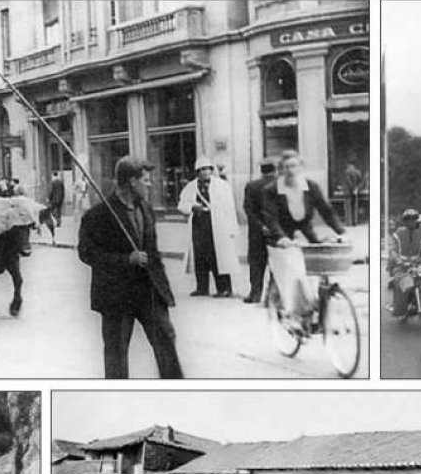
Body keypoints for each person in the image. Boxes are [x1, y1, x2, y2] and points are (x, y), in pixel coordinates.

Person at [78, 156, 183, 379]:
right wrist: (126, 260)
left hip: (148, 291)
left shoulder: (145, 208)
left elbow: (153, 253)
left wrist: (164, 291)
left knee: (166, 340)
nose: (150, 184)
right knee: (116, 354)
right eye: (146, 180)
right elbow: (86, 253)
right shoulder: (98, 215)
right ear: (132, 181)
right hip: (117, 296)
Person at [261, 151, 347, 320]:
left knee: (318, 271)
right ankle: (292, 314)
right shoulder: (271, 190)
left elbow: (326, 210)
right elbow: (271, 217)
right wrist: (281, 238)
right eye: (286, 167)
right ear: (281, 170)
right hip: (281, 239)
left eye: (294, 166)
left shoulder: (310, 187)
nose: (290, 170)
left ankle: (314, 308)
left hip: (305, 235)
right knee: (294, 273)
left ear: (301, 167)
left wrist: (341, 231)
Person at [177, 156, 238, 298]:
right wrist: (192, 206)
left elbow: (229, 208)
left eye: (207, 169)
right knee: (200, 256)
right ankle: (202, 287)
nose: (204, 172)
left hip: (218, 224)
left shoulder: (222, 185)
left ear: (212, 170)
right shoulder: (191, 186)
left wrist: (231, 228)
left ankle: (224, 288)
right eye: (201, 170)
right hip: (199, 223)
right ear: (197, 172)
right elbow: (182, 204)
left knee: (218, 256)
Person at [242, 158, 276, 304]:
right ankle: (273, 296)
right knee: (277, 263)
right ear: (275, 170)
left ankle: (255, 294)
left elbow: (248, 209)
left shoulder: (252, 186)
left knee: (256, 262)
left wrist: (261, 226)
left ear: (261, 171)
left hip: (257, 231)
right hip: (277, 231)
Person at [388, 209, 421, 317]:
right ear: (404, 221)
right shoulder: (398, 234)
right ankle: (399, 308)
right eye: (408, 220)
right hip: (402, 266)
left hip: (418, 265)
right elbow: (393, 250)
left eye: (413, 219)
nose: (411, 222)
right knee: (403, 283)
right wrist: (398, 260)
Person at [46, 172, 65, 246]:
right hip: (60, 199)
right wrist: (62, 198)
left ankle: (55, 221)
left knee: (53, 211)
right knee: (59, 210)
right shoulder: (60, 182)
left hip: (54, 199)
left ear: (53, 175)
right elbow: (63, 191)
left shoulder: (53, 182)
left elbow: (52, 191)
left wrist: (49, 198)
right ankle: (59, 222)